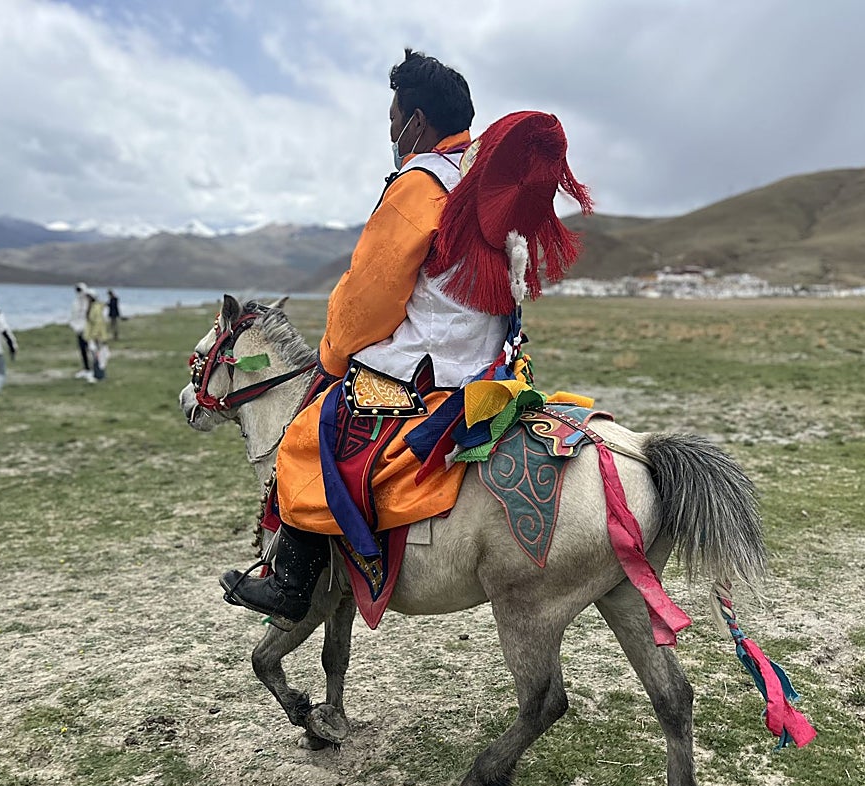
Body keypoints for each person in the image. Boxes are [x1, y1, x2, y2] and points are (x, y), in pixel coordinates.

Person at [220, 50, 592, 628]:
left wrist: (333, 353)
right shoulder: (483, 181)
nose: (391, 131)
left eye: (394, 118)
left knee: (304, 433)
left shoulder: (419, 185)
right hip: (492, 368)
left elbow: (370, 297)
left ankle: (293, 585)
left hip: (422, 374)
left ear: (416, 122)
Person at [84, 289, 111, 381]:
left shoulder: (96, 308)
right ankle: (97, 374)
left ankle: (99, 375)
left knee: (98, 356)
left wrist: (95, 335)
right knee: (95, 355)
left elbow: (98, 323)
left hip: (96, 336)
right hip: (92, 335)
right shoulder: (92, 307)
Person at [70, 281, 92, 378]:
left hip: (88, 329)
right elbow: (74, 316)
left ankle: (94, 369)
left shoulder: (89, 302)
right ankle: (86, 368)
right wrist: (75, 326)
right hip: (79, 329)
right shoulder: (76, 303)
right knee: (83, 349)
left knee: (92, 349)